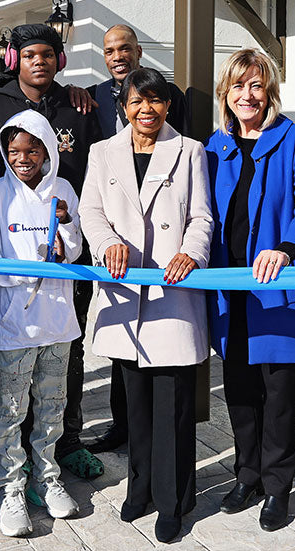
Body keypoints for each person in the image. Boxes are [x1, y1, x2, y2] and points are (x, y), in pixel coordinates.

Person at [0, 23, 105, 481]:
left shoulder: (75, 105)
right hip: (10, 251)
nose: (38, 62)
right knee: (15, 378)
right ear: (13, 60)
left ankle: (67, 444)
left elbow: (92, 176)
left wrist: (71, 229)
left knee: (67, 358)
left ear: (59, 60)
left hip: (66, 251)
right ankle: (17, 460)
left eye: (47, 54)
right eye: (28, 55)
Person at [79, 67, 212, 544]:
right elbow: (89, 211)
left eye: (155, 101)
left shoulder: (190, 151)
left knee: (173, 405)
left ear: (168, 106)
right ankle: (140, 490)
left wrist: (191, 252)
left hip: (174, 293)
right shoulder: (102, 152)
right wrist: (106, 242)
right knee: (134, 404)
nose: (146, 110)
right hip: (123, 294)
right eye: (137, 101)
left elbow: (202, 217)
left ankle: (174, 501)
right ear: (124, 106)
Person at [205, 48, 295, 532]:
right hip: (230, 291)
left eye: (256, 86)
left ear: (270, 91)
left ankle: (278, 486)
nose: (247, 95)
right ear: (226, 95)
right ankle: (248, 473)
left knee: (279, 393)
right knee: (238, 389)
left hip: (278, 291)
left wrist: (284, 247)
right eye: (238, 87)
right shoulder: (213, 147)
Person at [85, 24, 192, 454]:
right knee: (121, 347)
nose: (117, 55)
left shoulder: (169, 95)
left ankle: (152, 442)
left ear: (139, 51)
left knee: (164, 355)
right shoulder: (89, 96)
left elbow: (179, 159)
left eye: (124, 47)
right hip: (115, 238)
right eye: (109, 49)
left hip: (163, 248)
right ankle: (122, 425)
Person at [0, 109, 83, 537]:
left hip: (58, 322)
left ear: (47, 151)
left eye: (32, 149)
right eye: (14, 150)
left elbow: (75, 251)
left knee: (52, 406)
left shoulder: (64, 191)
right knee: (11, 409)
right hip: (13, 323)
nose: (23, 158)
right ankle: (10, 487)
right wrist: (28, 271)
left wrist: (64, 239)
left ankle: (47, 477)